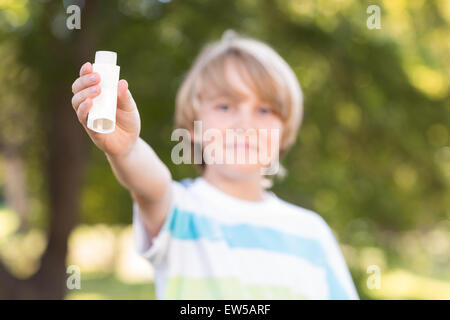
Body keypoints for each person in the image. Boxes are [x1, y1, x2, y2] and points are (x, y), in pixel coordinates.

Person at [70, 30, 359, 300]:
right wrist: (127, 149)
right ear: (193, 126)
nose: (244, 124)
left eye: (264, 110)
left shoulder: (311, 234)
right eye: (225, 106)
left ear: (284, 132)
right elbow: (151, 185)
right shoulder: (179, 212)